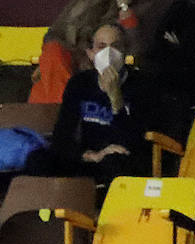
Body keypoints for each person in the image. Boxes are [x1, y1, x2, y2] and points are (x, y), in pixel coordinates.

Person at [52, 23, 158, 186]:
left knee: (115, 162)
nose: (109, 53)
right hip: (89, 157)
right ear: (90, 53)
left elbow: (135, 142)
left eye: (115, 47)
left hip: (123, 159)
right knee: (38, 159)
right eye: (101, 47)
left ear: (124, 52)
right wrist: (90, 155)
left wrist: (116, 98)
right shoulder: (79, 83)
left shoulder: (142, 85)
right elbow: (62, 134)